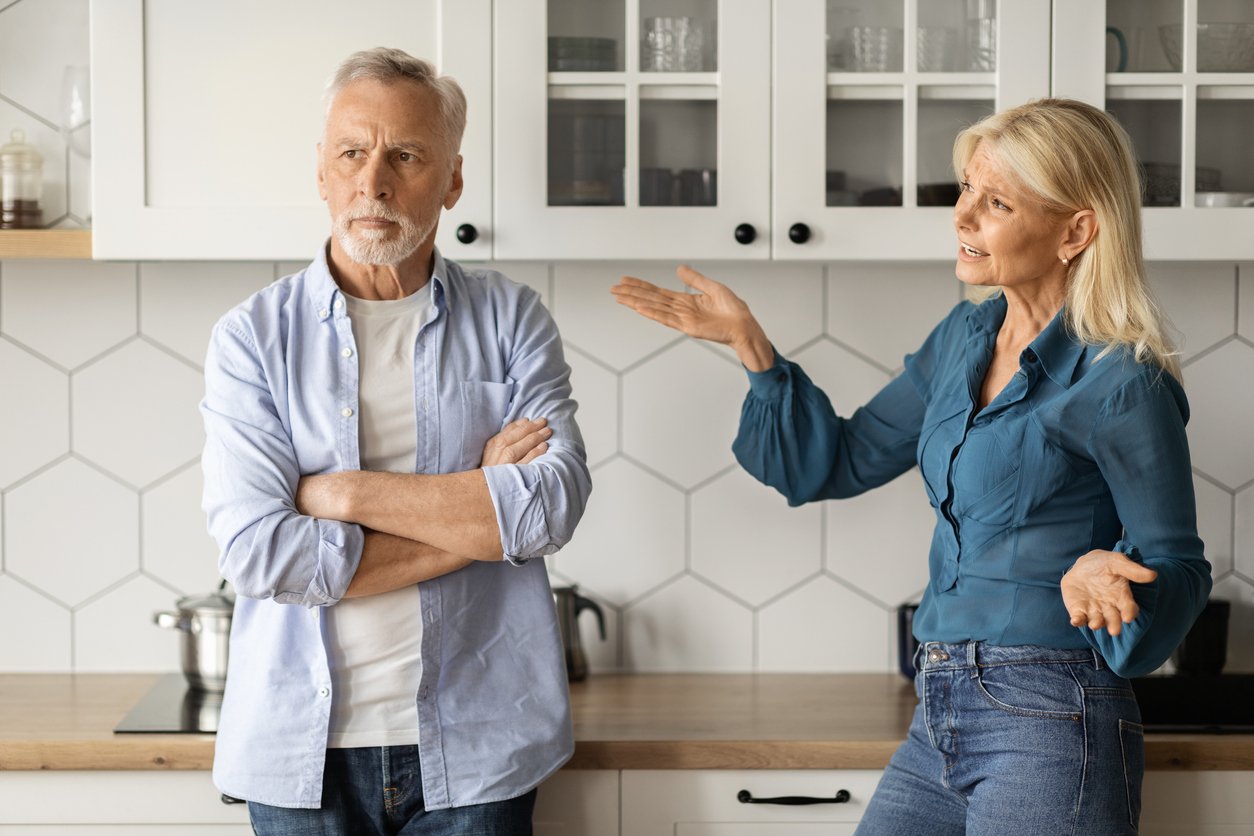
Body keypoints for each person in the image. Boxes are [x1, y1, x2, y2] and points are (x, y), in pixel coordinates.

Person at [611, 98, 1211, 835]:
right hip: (941, 706)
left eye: (995, 202)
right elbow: (839, 462)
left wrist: (1104, 566)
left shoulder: (1119, 380)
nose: (961, 217)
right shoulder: (965, 336)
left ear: (1077, 230)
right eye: (965, 189)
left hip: (1053, 716)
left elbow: (1178, 568)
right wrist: (752, 349)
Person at [201, 47, 591, 834]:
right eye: (352, 152)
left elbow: (549, 510)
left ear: (450, 180)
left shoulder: (512, 319)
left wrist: (343, 494)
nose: (372, 181)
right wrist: (479, 518)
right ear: (321, 169)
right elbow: (258, 554)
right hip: (298, 752)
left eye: (406, 155)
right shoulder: (252, 338)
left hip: (483, 740)